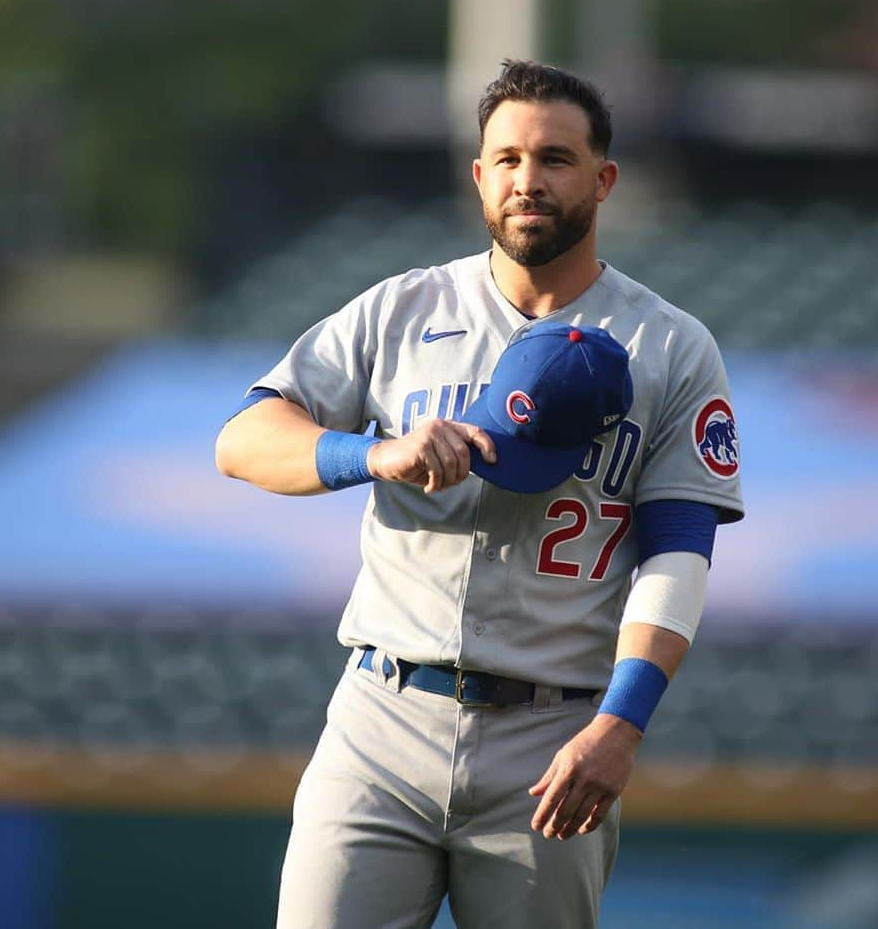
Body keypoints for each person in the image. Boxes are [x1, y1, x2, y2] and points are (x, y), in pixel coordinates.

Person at [216, 60, 744, 928]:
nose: (527, 179)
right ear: (479, 175)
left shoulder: (672, 347)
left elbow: (680, 550)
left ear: (604, 178)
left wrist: (624, 723)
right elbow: (240, 441)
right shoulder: (400, 310)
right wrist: (370, 452)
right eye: (506, 159)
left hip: (554, 732)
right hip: (382, 715)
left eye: (555, 158)